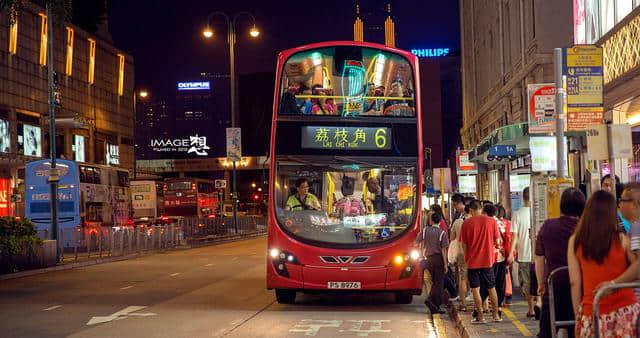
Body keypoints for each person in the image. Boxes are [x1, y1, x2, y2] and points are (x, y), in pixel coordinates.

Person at [568, 190, 640, 337]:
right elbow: (637, 268)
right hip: (625, 311)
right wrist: (614, 283)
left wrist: (579, 315)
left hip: (592, 310)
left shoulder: (575, 241)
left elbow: (574, 282)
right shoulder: (621, 240)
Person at [534, 188, 585, 338]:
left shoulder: (548, 226)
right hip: (581, 287)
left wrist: (541, 284)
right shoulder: (584, 228)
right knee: (576, 328)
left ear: (561, 205)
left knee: (547, 330)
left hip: (553, 286)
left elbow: (539, 258)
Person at [459, 199, 502, 324]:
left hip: (472, 262)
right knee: (491, 287)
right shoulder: (491, 221)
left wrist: (467, 259)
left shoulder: (466, 223)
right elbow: (497, 242)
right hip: (488, 261)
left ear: (471, 210)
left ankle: (480, 317)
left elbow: (464, 245)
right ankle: (496, 316)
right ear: (481, 208)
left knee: (475, 289)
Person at [508, 187, 537, 318]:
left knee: (527, 282)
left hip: (524, 254)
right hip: (538, 254)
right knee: (539, 280)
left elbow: (515, 236)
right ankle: (539, 303)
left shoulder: (517, 214)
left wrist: (511, 252)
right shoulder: (538, 212)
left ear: (523, 198)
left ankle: (531, 309)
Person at [479, 204, 507, 317]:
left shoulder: (487, 223)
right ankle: (498, 308)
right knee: (500, 283)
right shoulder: (502, 222)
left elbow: (493, 241)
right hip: (502, 257)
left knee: (487, 284)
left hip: (490, 257)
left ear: (485, 212)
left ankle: (480, 307)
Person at [418, 210, 449, 314]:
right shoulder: (442, 233)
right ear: (440, 221)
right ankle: (432, 301)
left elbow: (416, 241)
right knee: (438, 283)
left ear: (431, 220)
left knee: (434, 282)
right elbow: (444, 250)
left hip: (428, 260)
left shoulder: (425, 230)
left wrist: (421, 252)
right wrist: (445, 264)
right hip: (438, 259)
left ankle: (434, 305)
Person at [450, 202, 472, 311]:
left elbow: (452, 237)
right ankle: (481, 304)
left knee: (463, 277)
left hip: (461, 253)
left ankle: (463, 303)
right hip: (474, 254)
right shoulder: (475, 222)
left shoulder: (458, 222)